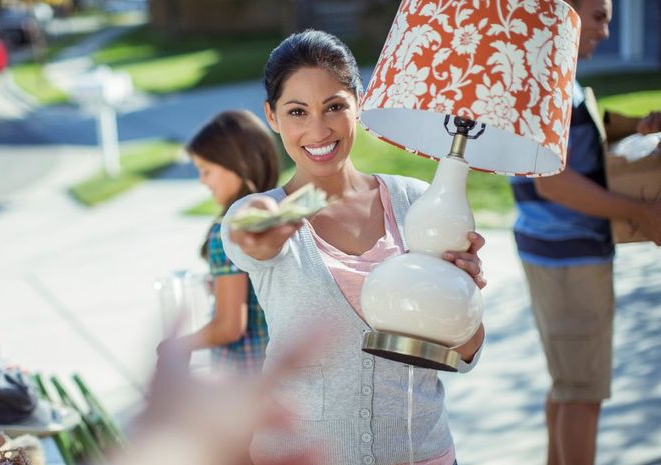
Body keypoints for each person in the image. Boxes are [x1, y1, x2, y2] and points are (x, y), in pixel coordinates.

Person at [221, 30, 487, 465]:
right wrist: (276, 220)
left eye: (334, 107)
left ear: (358, 105)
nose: (318, 129)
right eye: (297, 112)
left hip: (422, 454)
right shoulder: (261, 213)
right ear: (271, 116)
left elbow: (464, 352)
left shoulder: (418, 203)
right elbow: (249, 238)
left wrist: (463, 298)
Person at [510, 1, 661, 464]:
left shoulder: (557, 77)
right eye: (597, 15)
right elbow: (551, 180)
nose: (606, 29)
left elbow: (576, 156)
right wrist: (643, 212)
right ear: (561, 12)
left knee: (569, 387)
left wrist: (637, 128)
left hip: (561, 252)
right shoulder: (548, 82)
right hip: (568, 256)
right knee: (582, 393)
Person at [158, 110, 280, 376]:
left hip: (244, 380)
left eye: (206, 170)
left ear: (237, 165)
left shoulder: (226, 232)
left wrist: (178, 345)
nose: (202, 180)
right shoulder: (280, 214)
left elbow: (229, 326)